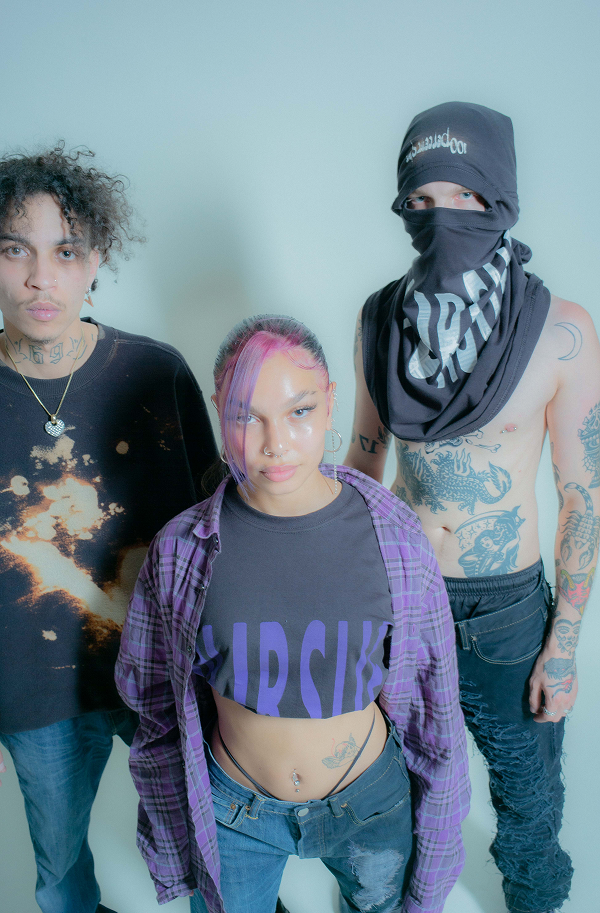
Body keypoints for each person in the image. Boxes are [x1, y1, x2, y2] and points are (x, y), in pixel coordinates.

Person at [115, 314, 470, 913]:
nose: (274, 443)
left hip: (370, 802)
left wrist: (437, 855)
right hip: (234, 812)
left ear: (331, 404)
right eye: (246, 415)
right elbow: (152, 703)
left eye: (299, 411)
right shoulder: (181, 548)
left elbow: (435, 701)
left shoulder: (394, 534)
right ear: (218, 412)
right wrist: (169, 832)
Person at [345, 101, 600, 913]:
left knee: (529, 796)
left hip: (507, 610)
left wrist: (564, 644)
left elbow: (583, 495)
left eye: (462, 196)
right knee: (396, 787)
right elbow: (363, 463)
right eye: (421, 200)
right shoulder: (380, 319)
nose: (441, 216)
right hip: (402, 593)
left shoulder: (561, 331)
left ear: (499, 197)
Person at [0, 145, 217, 913]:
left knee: (217, 852)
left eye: (65, 251)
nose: (41, 277)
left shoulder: (155, 374)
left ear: (96, 260)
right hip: (30, 691)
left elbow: (217, 523)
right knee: (60, 878)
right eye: (14, 249)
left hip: (163, 670)